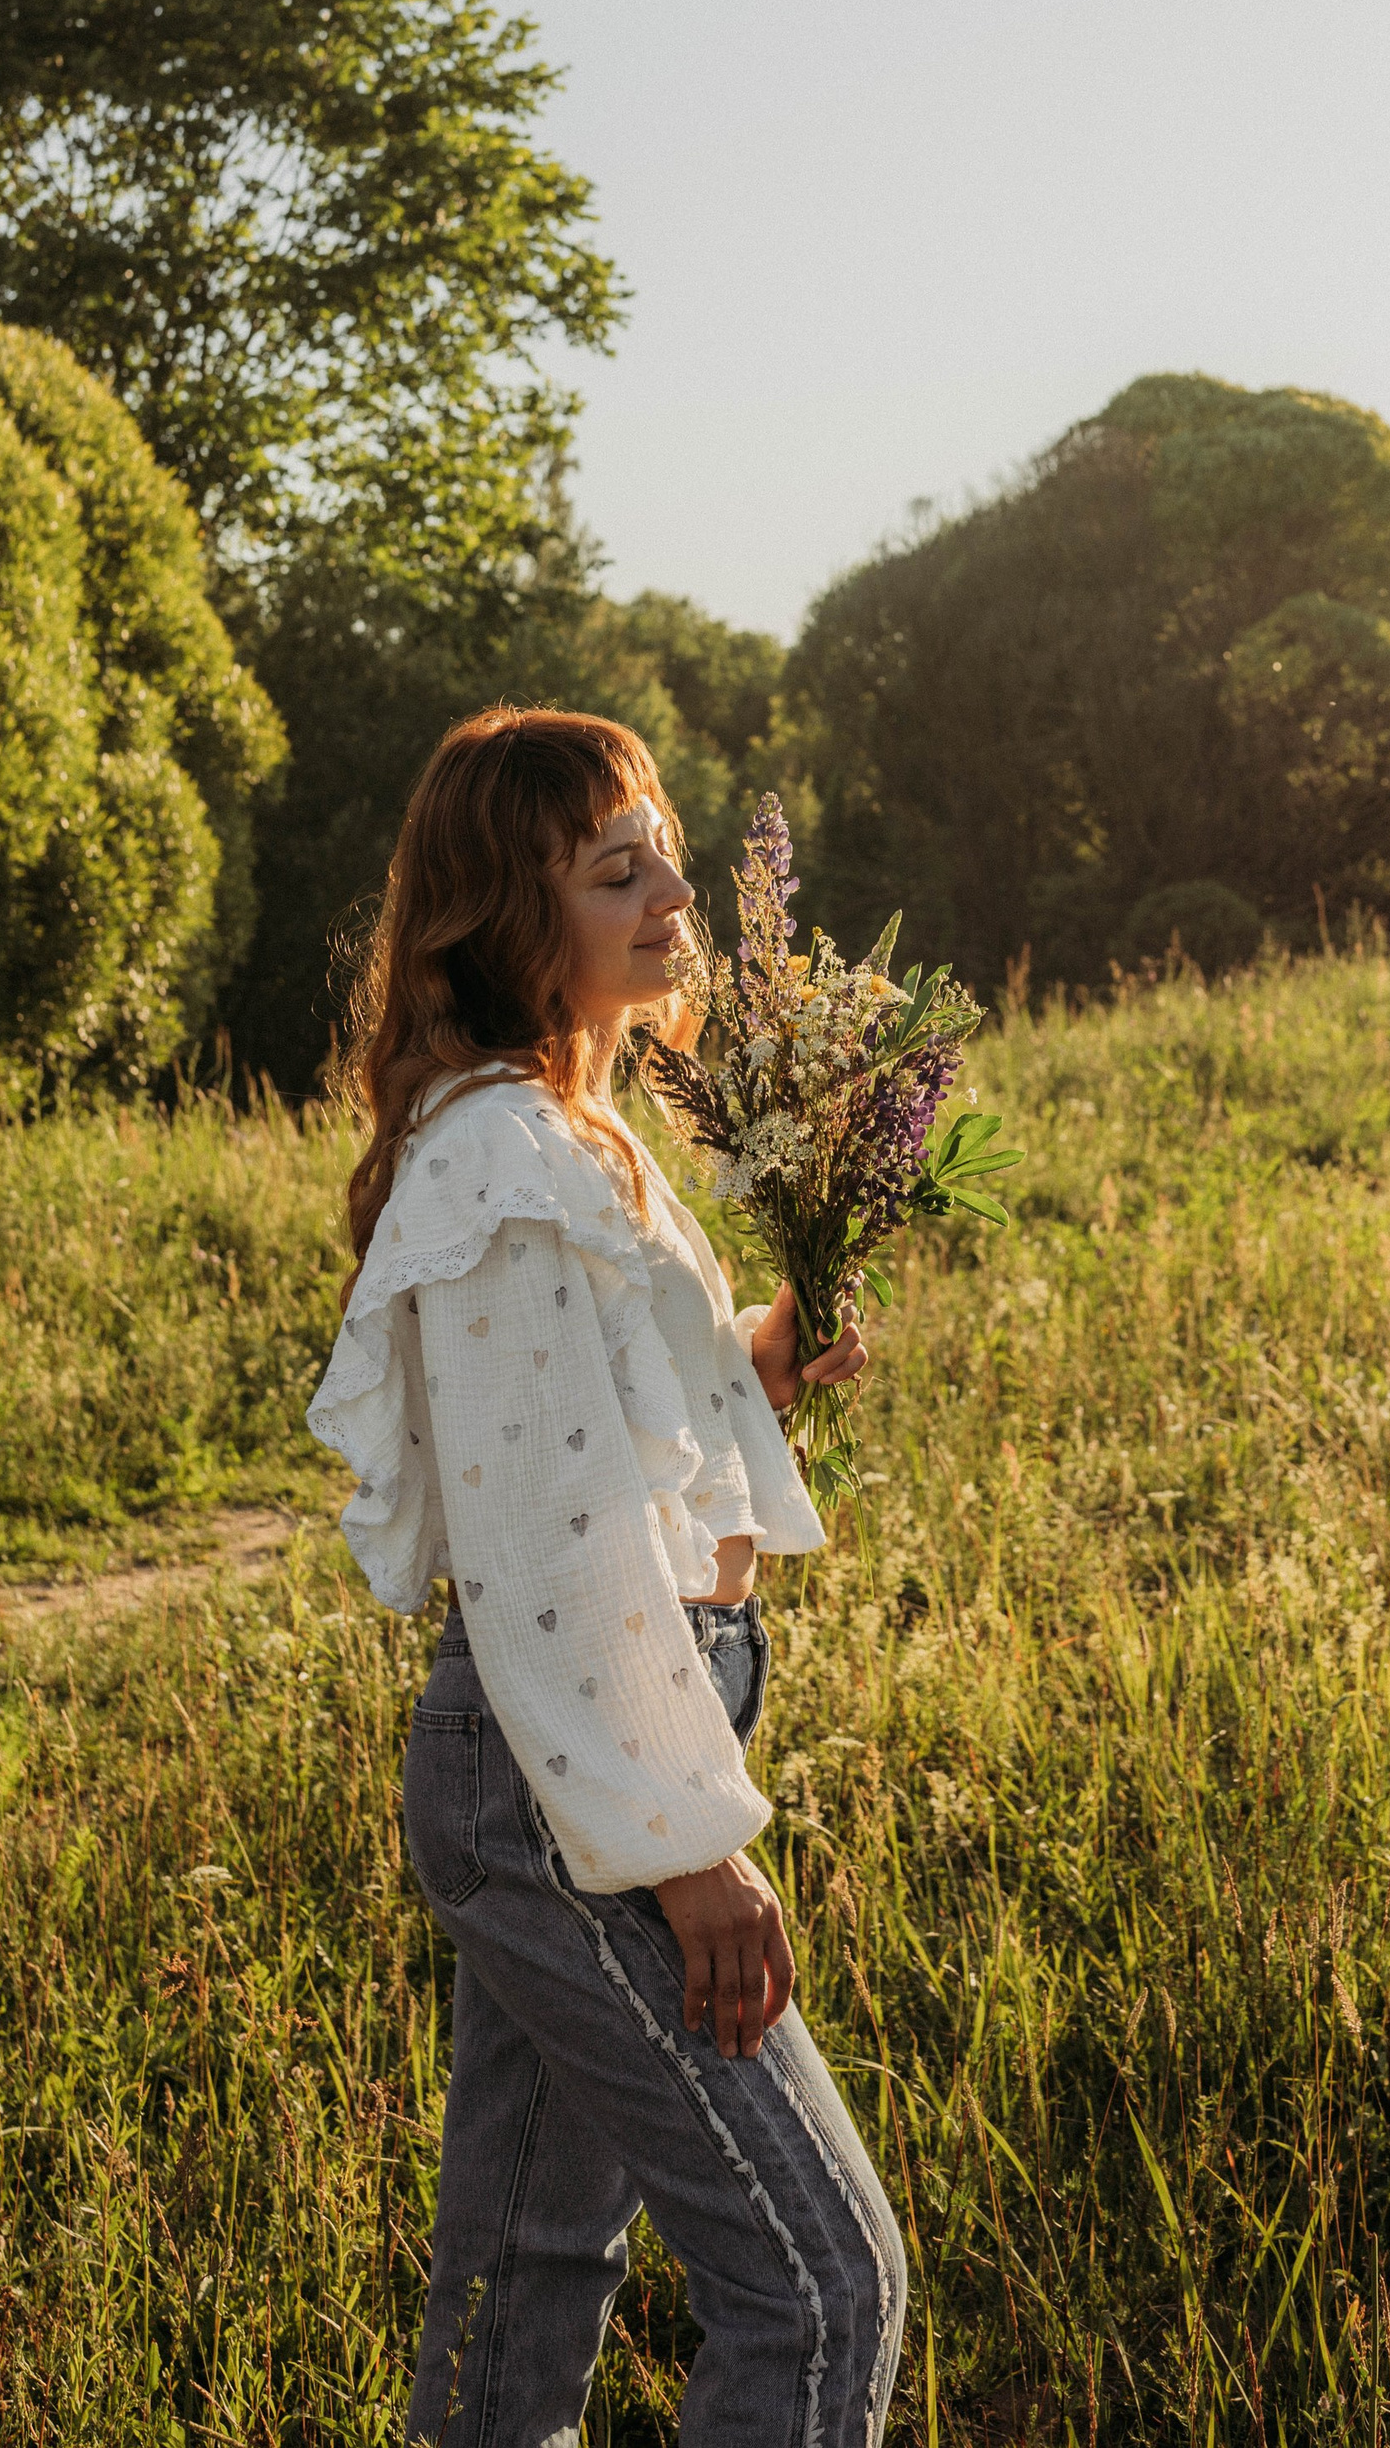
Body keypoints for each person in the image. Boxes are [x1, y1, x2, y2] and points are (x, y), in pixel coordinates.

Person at [308, 705, 906, 2446]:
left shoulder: (565, 1128)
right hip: (576, 1757)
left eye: (666, 854)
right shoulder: (501, 1158)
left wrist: (756, 1363)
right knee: (817, 2289)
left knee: (522, 2276)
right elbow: (545, 1545)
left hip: (582, 1739)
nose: (669, 896)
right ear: (509, 916)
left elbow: (594, 1429)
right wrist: (683, 1847)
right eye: (610, 869)